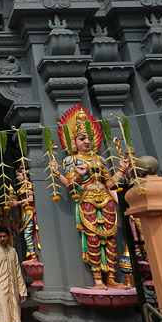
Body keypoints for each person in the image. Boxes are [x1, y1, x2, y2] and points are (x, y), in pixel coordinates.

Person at [49, 108, 129, 289]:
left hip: (106, 202)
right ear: (73, 142)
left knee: (111, 241)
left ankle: (111, 278)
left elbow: (110, 184)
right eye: (82, 138)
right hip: (87, 201)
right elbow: (69, 185)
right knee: (93, 239)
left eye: (89, 138)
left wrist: (122, 170)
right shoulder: (71, 160)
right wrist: (62, 174)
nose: (86, 142)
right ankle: (97, 278)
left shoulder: (100, 160)